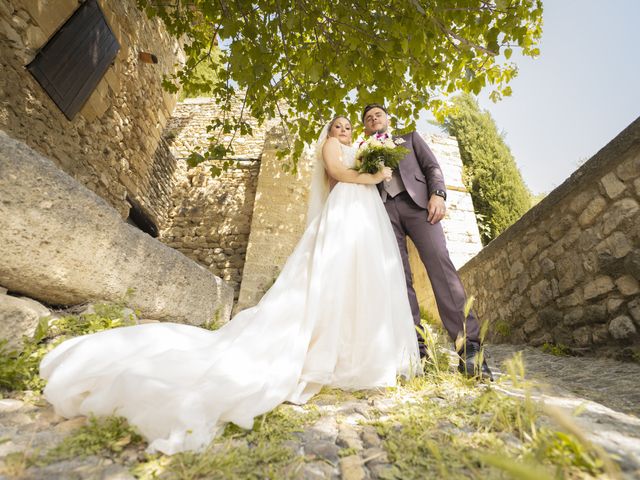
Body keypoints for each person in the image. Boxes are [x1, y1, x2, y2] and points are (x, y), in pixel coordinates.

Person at [39, 116, 420, 455]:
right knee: (329, 274)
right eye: (338, 126)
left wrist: (375, 170)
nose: (343, 131)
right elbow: (337, 174)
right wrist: (372, 176)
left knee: (360, 277)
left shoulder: (362, 146)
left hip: (362, 213)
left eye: (347, 127)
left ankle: (360, 349)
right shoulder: (332, 147)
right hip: (344, 209)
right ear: (330, 132)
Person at [360, 103, 493, 381]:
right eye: (369, 118)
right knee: (398, 278)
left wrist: (438, 194)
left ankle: (469, 348)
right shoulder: (363, 153)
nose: (374, 119)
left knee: (441, 269)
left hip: (420, 208)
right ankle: (417, 349)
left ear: (388, 119)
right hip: (384, 213)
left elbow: (432, 166)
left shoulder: (409, 138)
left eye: (378, 115)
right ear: (366, 126)